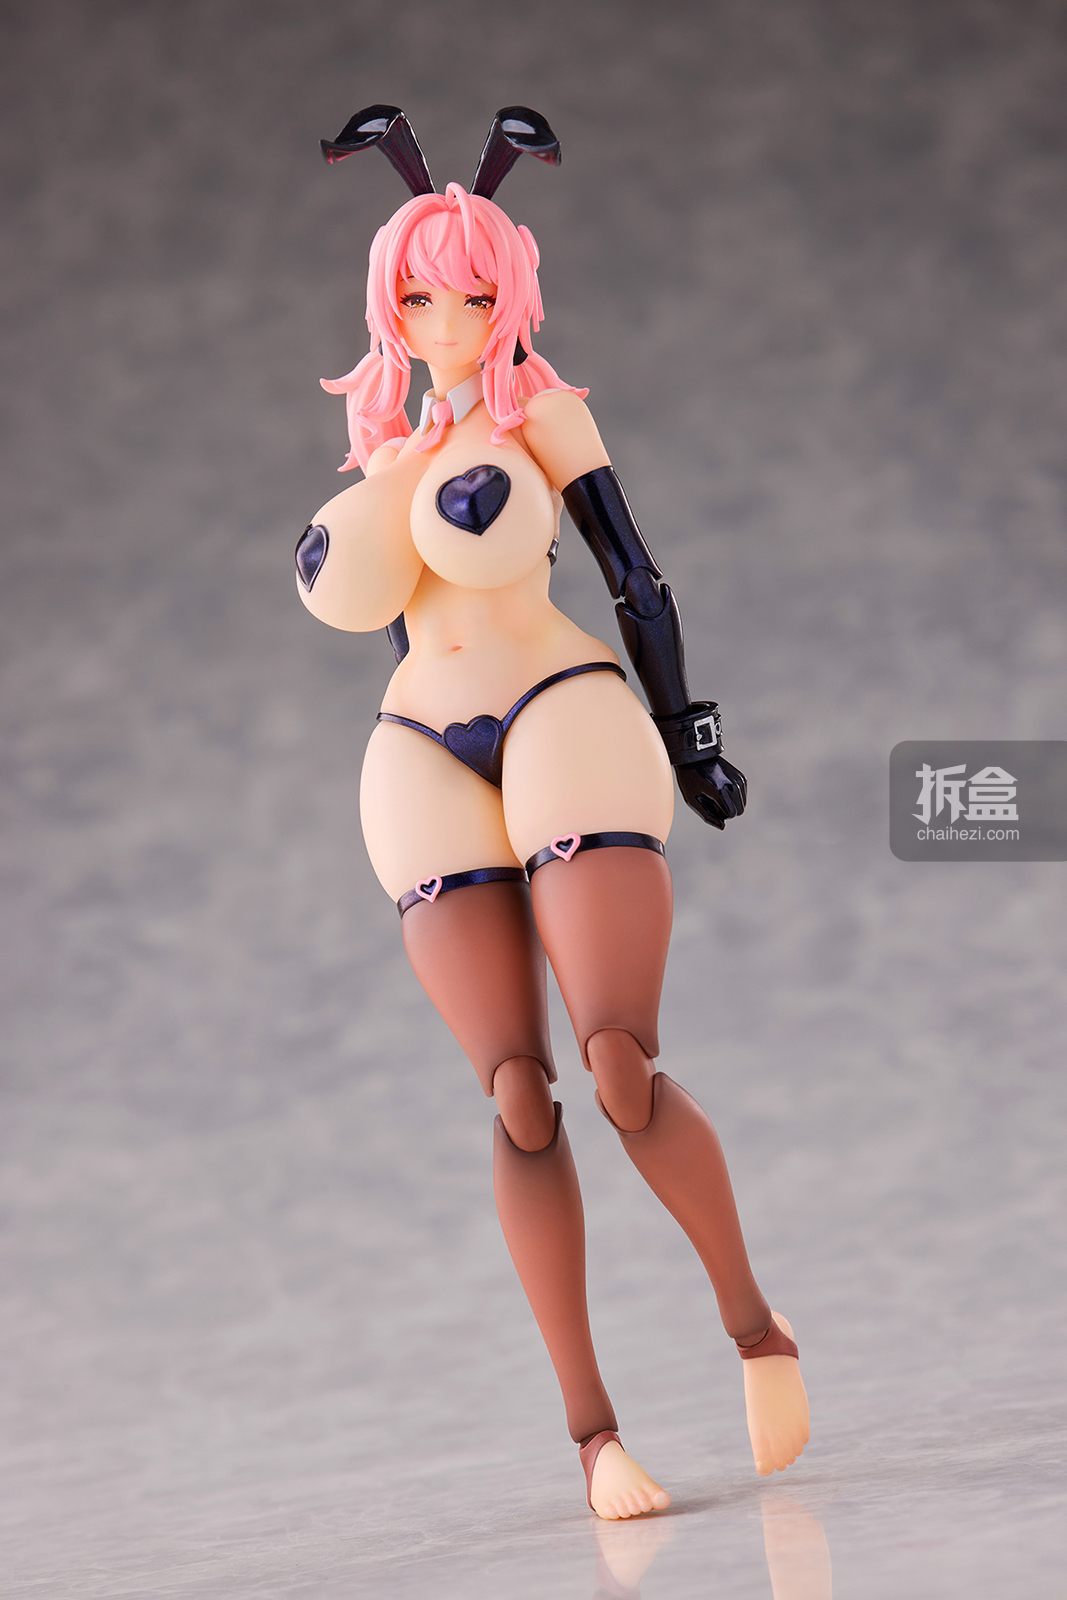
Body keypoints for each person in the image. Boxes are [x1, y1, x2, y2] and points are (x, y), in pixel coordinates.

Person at [296, 107, 809, 1520]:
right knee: (519, 1096)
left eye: (470, 295)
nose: (445, 321)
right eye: (419, 298)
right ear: (389, 305)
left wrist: (690, 736)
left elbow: (638, 581)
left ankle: (755, 1329)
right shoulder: (380, 441)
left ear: (508, 296)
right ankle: (594, 1437)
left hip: (561, 709)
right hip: (420, 744)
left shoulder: (544, 417)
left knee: (619, 1066)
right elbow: (393, 614)